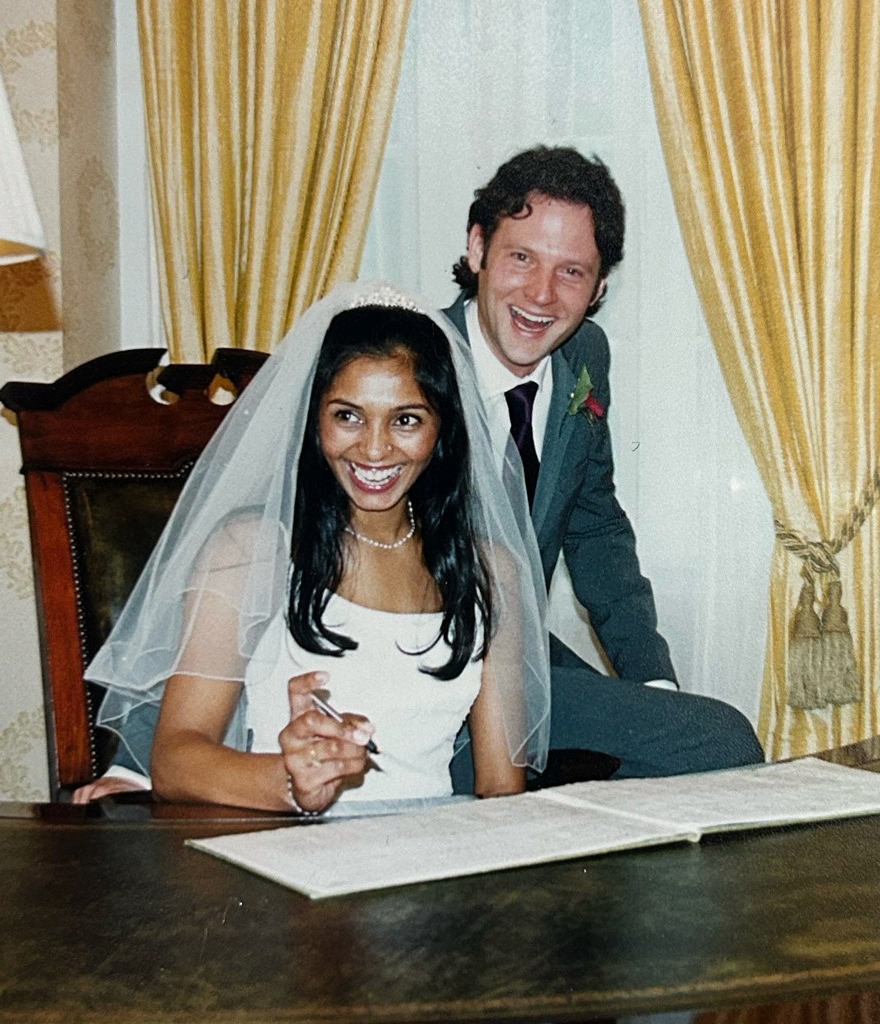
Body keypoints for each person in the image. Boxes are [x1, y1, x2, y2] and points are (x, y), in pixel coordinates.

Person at [82, 284, 551, 812]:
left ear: (441, 429)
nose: (375, 448)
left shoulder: (491, 570)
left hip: (432, 853)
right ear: (314, 419)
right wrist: (291, 780)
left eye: (406, 419)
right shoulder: (253, 550)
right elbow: (174, 760)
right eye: (348, 416)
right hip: (286, 846)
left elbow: (500, 789)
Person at [442, 144, 763, 790]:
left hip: (519, 656)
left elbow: (596, 528)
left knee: (684, 749)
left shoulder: (585, 355)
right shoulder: (409, 363)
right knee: (723, 740)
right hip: (428, 676)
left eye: (571, 272)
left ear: (599, 289)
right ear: (477, 248)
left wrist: (654, 684)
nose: (540, 294)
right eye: (522, 257)